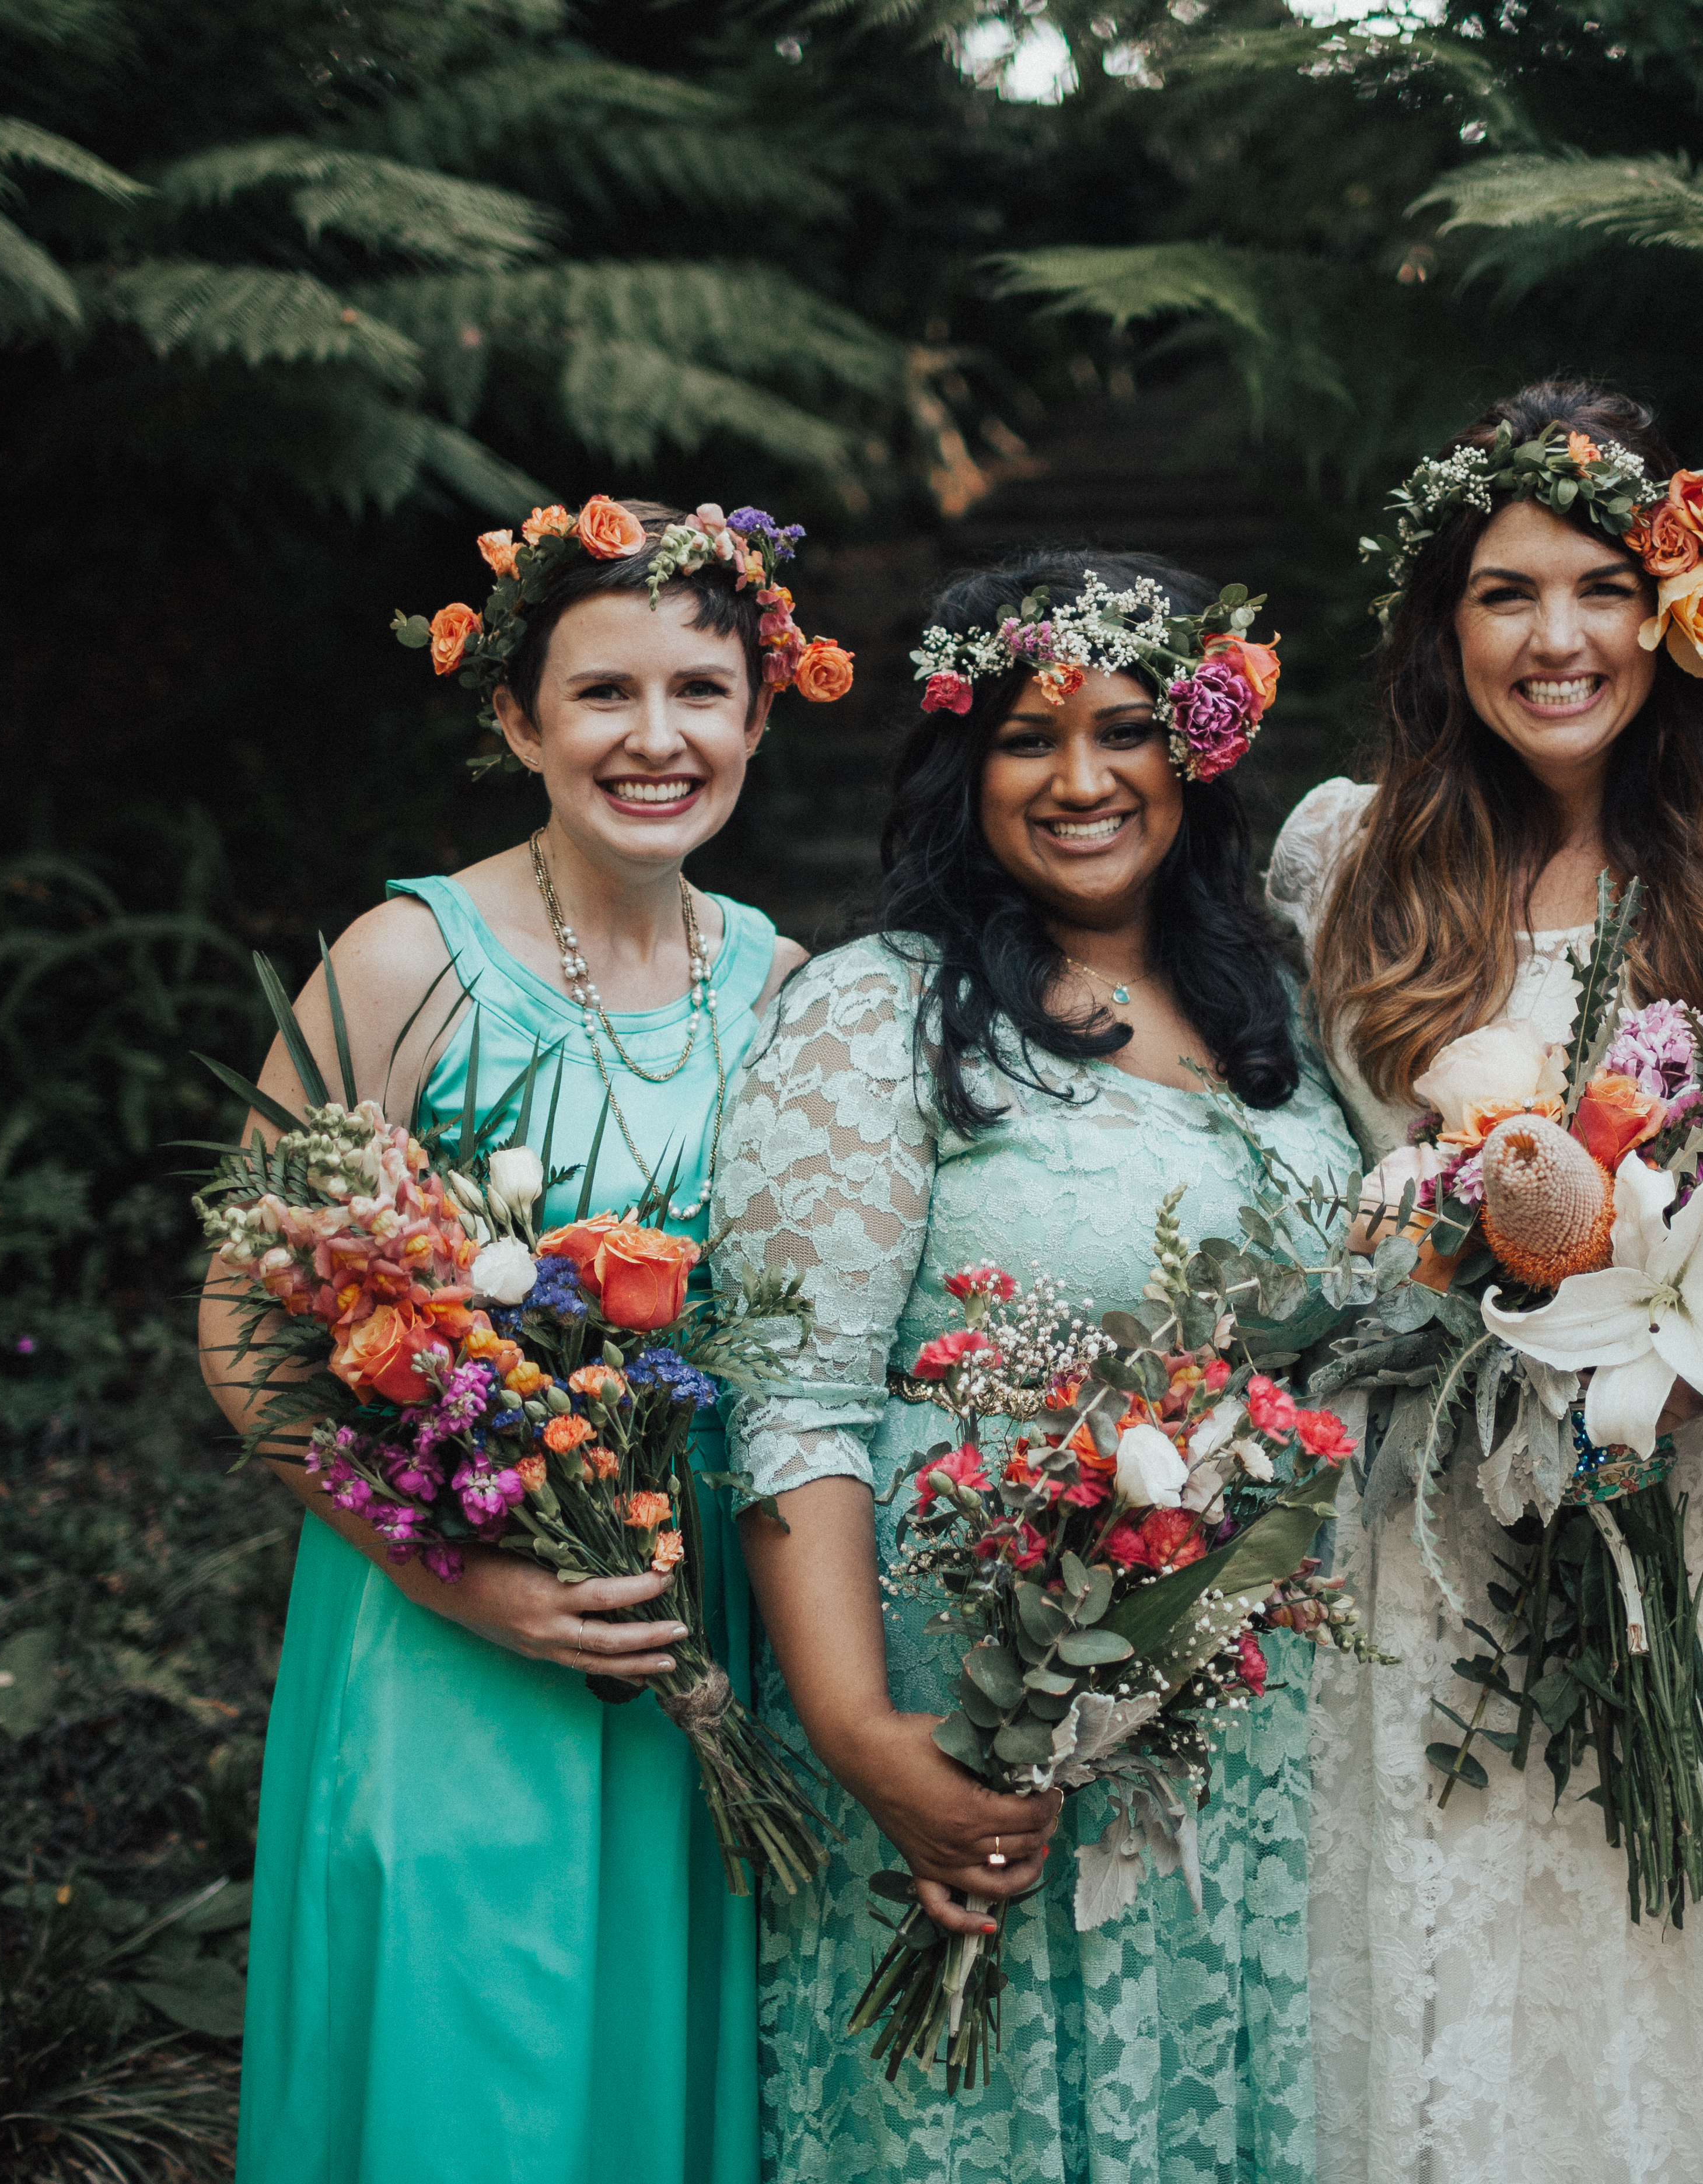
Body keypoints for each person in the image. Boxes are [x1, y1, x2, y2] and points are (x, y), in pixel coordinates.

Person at [1267, 380, 1703, 2182]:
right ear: (1439, 625)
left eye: (1604, 587)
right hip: (1431, 1526)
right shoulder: (1342, 854)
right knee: (1453, 1980)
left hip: (1701, 1510)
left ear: (1678, 612)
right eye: (1504, 593)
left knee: (1690, 1962)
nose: (1558, 639)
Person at [197, 494, 845, 2184]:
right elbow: (245, 1331)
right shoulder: (408, 962)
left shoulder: (790, 987)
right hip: (453, 1615)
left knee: (659, 2075)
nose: (656, 739)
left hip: (695, 1609)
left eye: (701, 693)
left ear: (761, 716)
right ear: (516, 718)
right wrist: (452, 1573)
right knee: (468, 2073)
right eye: (602, 694)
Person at [717, 551, 1355, 2179]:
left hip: (1255, 1725)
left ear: (1195, 753)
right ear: (960, 765)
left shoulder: (1278, 1003)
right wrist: (865, 1738)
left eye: (1128, 728)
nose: (1083, 779)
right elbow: (798, 1398)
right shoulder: (881, 1014)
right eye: (1024, 737)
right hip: (975, 1700)